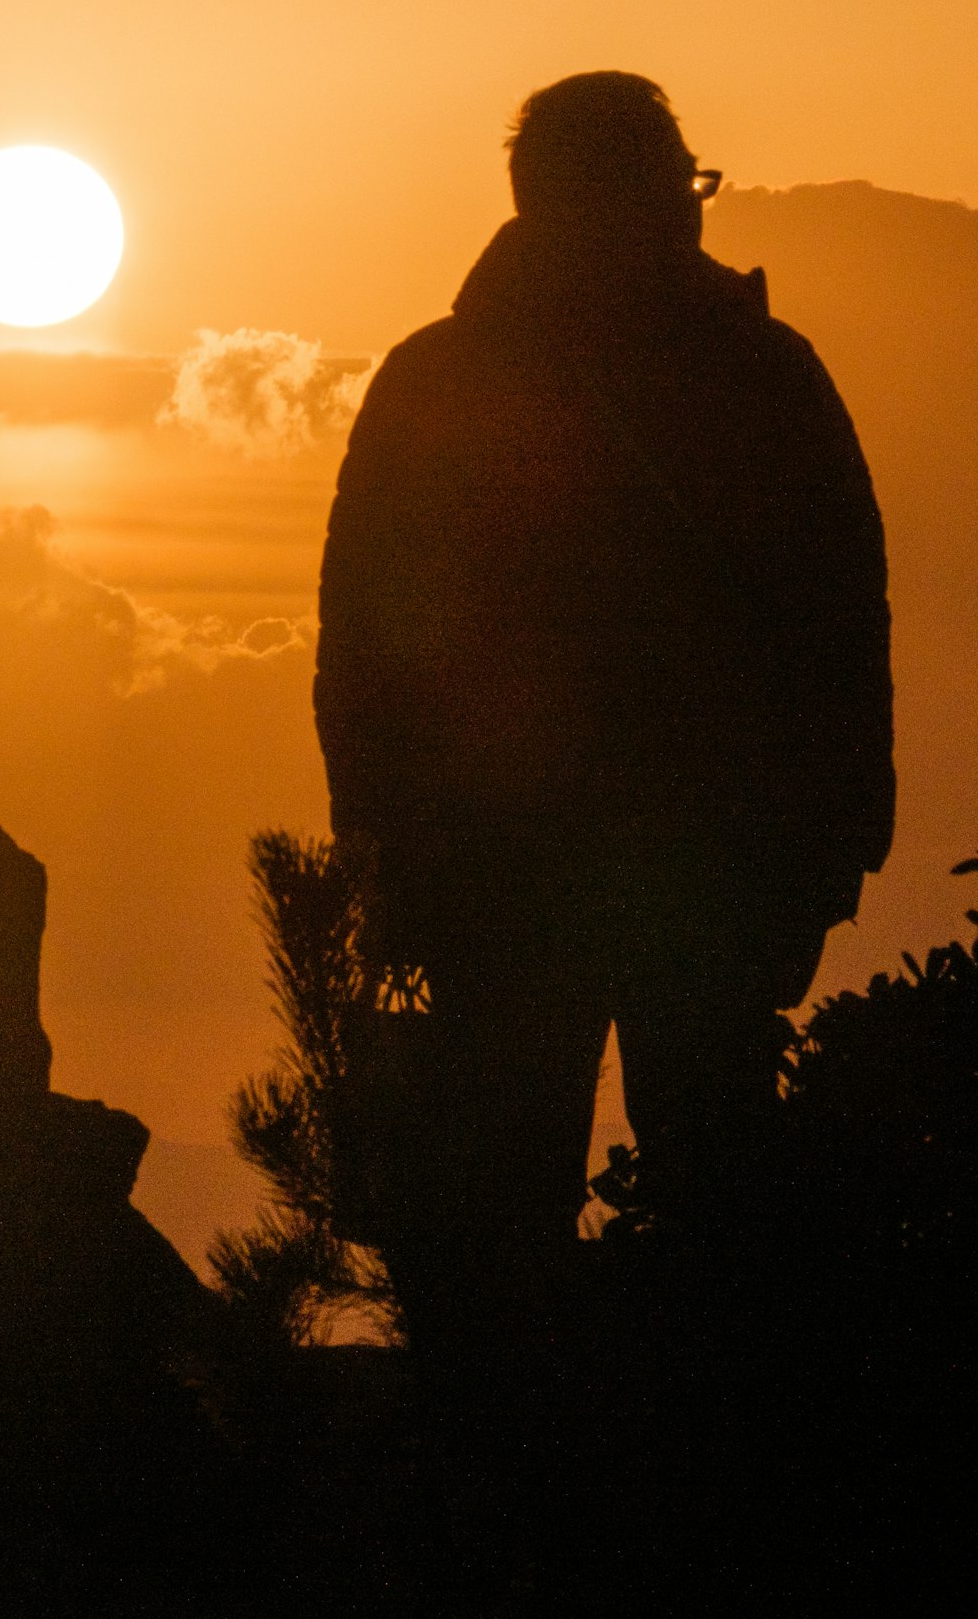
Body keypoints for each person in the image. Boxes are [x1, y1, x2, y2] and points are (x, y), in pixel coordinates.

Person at [316, 71, 892, 1323]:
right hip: (695, 864)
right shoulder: (762, 376)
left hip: (507, 872)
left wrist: (382, 852)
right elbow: (842, 618)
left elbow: (361, 646)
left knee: (501, 1222)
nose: (694, 213)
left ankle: (519, 1482)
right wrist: (835, 843)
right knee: (723, 1211)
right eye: (678, 185)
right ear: (615, 201)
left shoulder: (439, 379)